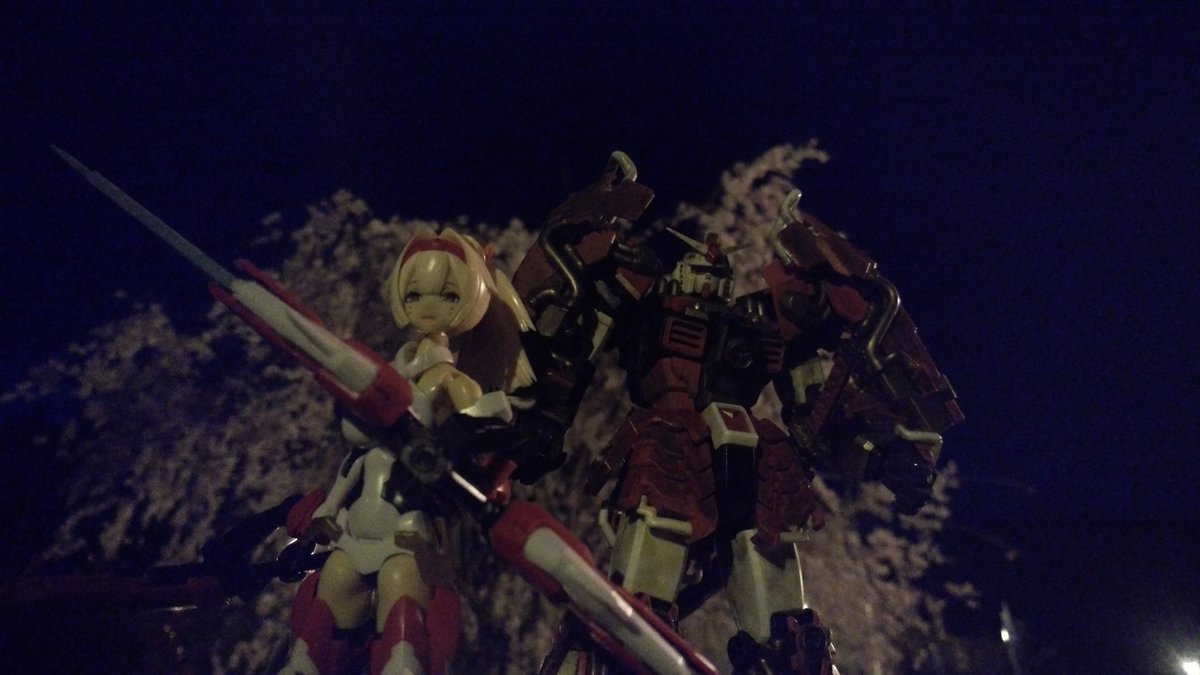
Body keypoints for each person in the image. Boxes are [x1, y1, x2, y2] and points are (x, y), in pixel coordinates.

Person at [280, 228, 533, 675]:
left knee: (401, 602)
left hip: (409, 524)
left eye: (447, 295)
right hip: (359, 522)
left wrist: (479, 430)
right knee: (330, 592)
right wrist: (331, 507)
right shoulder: (389, 371)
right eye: (415, 294)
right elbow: (357, 458)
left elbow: (485, 427)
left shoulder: (453, 381)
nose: (427, 307)